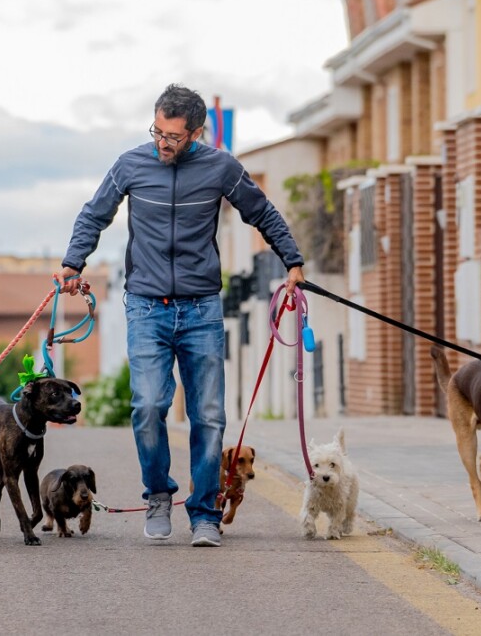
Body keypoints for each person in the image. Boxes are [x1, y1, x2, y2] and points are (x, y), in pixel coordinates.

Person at [55, 84, 305, 547]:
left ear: (194, 132)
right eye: (157, 131)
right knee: (148, 406)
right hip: (146, 306)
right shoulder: (131, 164)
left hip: (201, 308)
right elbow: (94, 215)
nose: (162, 142)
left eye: (173, 135)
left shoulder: (220, 168)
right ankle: (157, 495)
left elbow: (262, 213)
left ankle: (205, 513)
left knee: (208, 416)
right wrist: (74, 262)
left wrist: (292, 261)